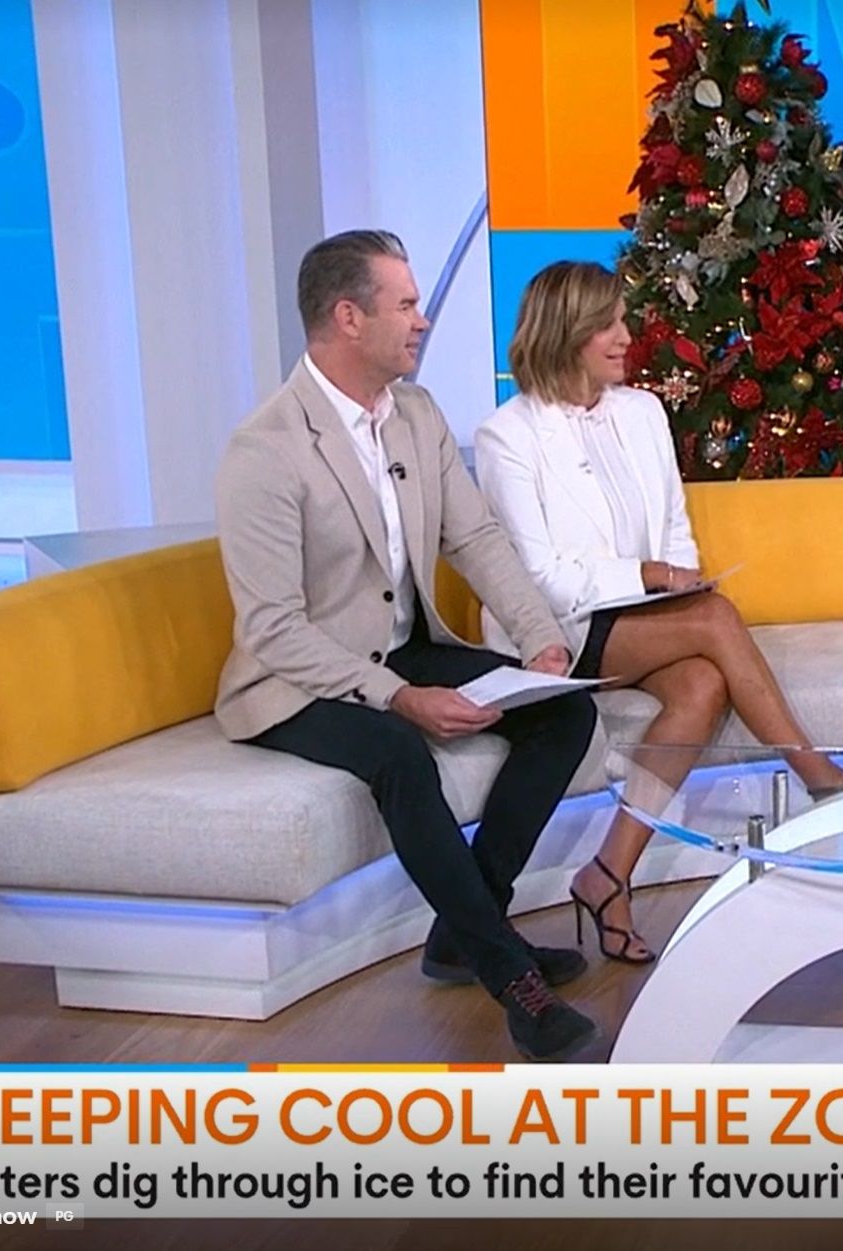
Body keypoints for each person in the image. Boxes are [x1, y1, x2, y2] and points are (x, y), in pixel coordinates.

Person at [214, 230, 601, 1061]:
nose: (422, 321)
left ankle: (465, 931)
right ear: (348, 317)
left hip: (402, 647)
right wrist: (399, 696)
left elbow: (477, 538)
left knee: (563, 714)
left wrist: (539, 639)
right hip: (295, 679)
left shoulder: (415, 415)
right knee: (398, 751)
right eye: (406, 304)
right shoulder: (266, 449)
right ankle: (513, 980)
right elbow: (272, 627)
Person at [474, 260, 843, 964]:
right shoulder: (509, 435)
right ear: (566, 334)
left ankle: (607, 873)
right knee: (715, 621)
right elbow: (541, 576)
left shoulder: (642, 411)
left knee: (703, 682)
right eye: (609, 325)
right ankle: (821, 777)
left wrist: (676, 581)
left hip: (642, 615)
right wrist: (649, 577)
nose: (628, 337)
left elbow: (674, 528)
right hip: (558, 629)